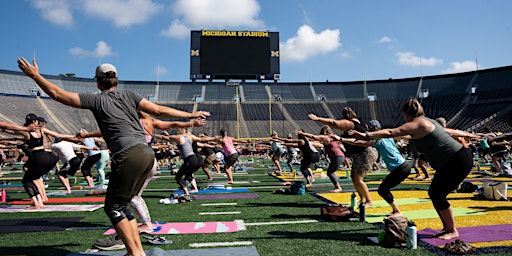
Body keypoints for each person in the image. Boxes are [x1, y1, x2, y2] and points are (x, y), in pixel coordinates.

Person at [17, 58, 210, 256]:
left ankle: (135, 253)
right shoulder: (130, 95)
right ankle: (135, 251)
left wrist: (35, 75)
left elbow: (57, 94)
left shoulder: (96, 99)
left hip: (129, 154)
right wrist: (190, 117)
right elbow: (159, 111)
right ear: (116, 80)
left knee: (112, 206)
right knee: (123, 203)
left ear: (98, 82)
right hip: (146, 154)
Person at [351, 98, 473, 240]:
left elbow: (391, 132)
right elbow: (402, 134)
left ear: (407, 114)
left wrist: (366, 135)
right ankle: (447, 227)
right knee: (434, 193)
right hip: (454, 160)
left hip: (456, 160)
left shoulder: (417, 123)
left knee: (438, 194)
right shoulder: (427, 121)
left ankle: (452, 230)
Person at [308, 107, 378, 206]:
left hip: (364, 153)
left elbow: (334, 123)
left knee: (358, 179)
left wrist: (318, 118)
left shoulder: (351, 124)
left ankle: (369, 200)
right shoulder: (358, 123)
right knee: (354, 177)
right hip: (361, 153)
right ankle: (362, 199)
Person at [0, 115, 72, 208]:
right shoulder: (41, 130)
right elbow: (58, 135)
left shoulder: (27, 132)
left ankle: (37, 203)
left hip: (37, 156)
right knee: (33, 179)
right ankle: (39, 201)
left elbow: (12, 129)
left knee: (26, 180)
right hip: (48, 156)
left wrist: (4, 130)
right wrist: (73, 137)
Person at [348, 120, 412, 217]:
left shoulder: (376, 140)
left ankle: (397, 211)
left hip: (400, 167)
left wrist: (341, 139)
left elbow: (359, 142)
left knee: (383, 190)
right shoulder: (387, 137)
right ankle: (395, 211)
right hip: (404, 165)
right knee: (384, 189)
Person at [297, 126, 345, 192]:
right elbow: (316, 140)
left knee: (330, 172)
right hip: (340, 156)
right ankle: (337, 186)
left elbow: (314, 137)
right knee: (330, 172)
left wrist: (303, 134)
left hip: (337, 156)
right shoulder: (332, 137)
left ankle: (338, 187)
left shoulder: (326, 137)